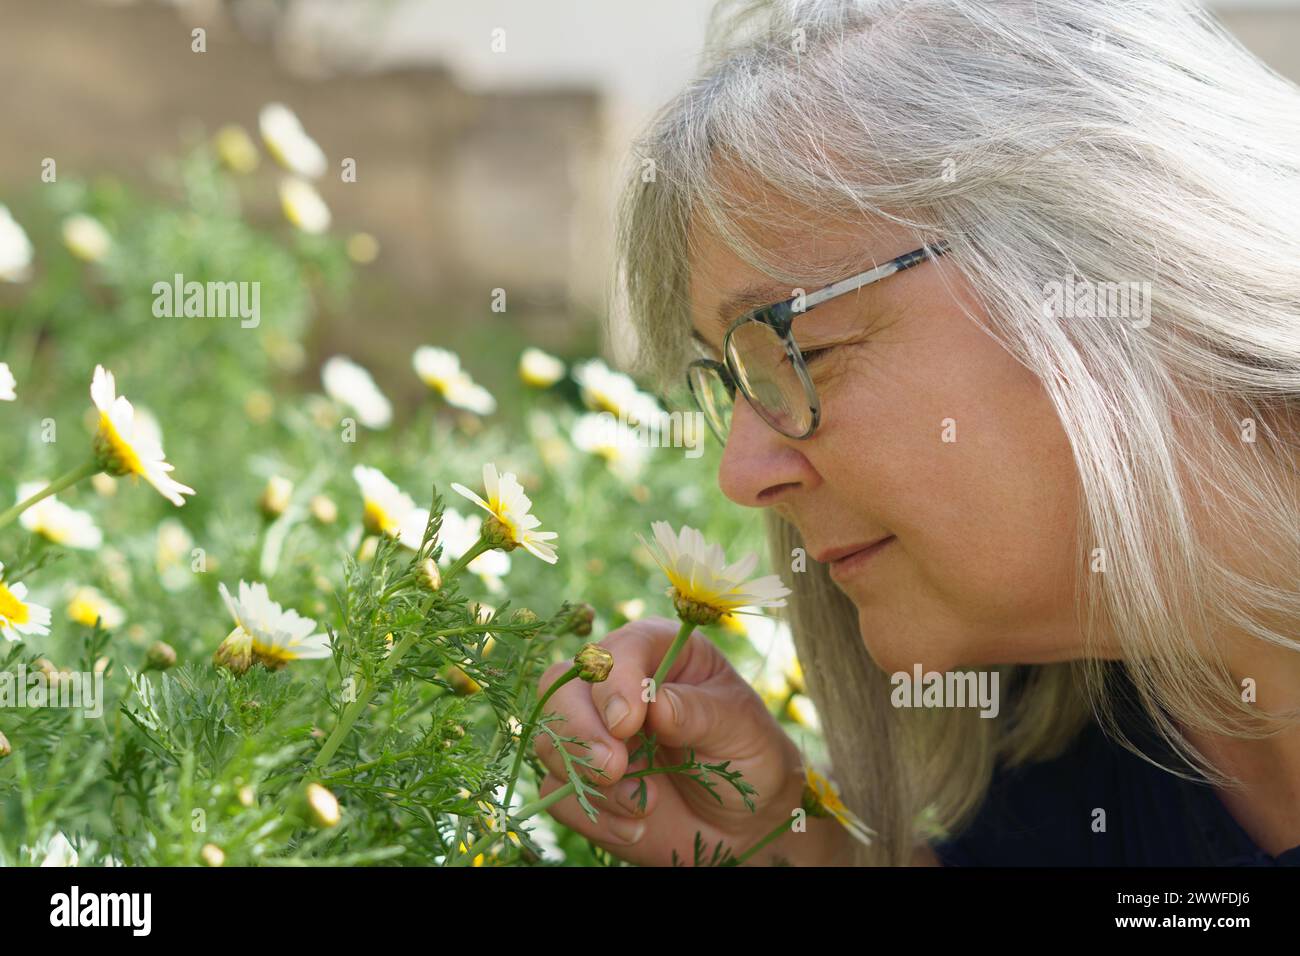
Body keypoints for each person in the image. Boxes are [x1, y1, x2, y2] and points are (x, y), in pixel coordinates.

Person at [534, 0, 1300, 866]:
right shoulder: (1072, 723)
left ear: (1120, 262)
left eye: (803, 349)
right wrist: (790, 841)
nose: (740, 472)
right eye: (736, 381)